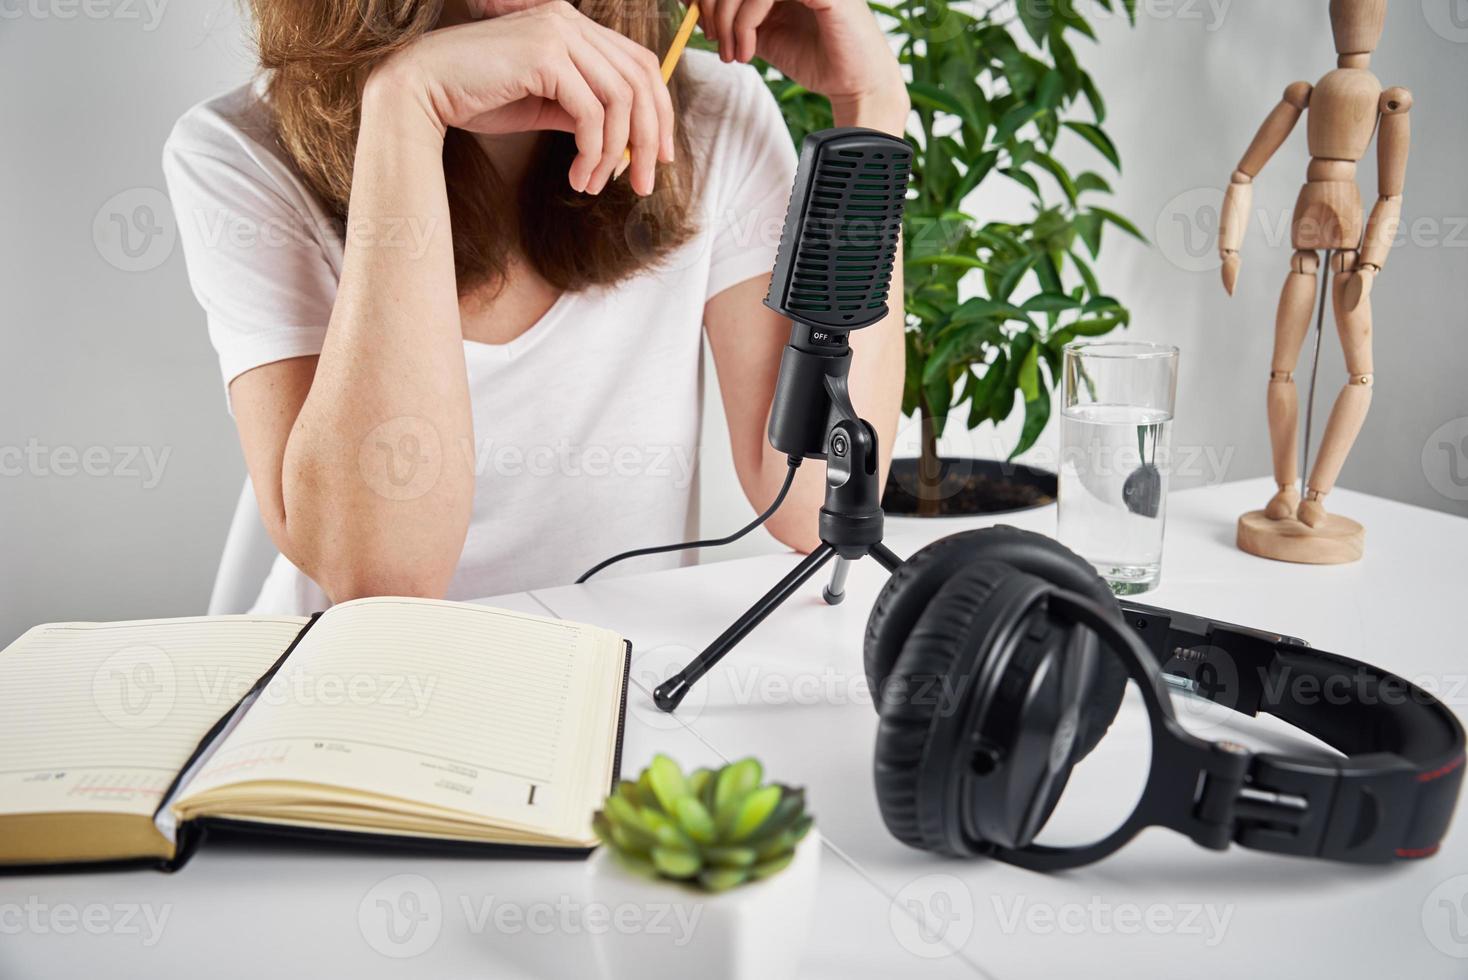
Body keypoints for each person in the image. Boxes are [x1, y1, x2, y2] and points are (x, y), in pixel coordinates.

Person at [164, 0, 909, 614]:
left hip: (615, 691)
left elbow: (816, 497)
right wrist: (406, 105)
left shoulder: (716, 117)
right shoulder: (238, 152)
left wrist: (872, 103)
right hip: (358, 705)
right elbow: (381, 580)